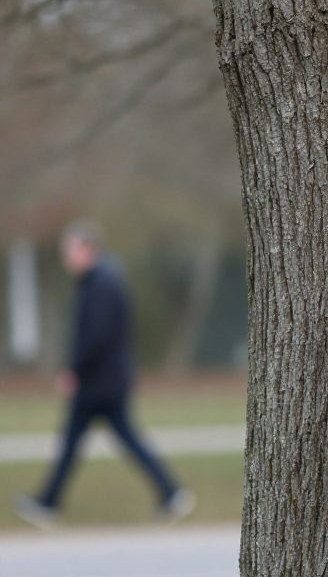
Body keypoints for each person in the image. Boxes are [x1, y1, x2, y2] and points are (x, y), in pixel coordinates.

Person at [15, 219, 197, 529]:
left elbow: (95, 336)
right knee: (112, 439)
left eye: (70, 250)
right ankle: (171, 492)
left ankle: (48, 503)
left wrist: (75, 370)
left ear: (87, 248)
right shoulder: (104, 278)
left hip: (99, 383)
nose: (67, 258)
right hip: (107, 380)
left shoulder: (100, 282)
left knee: (76, 443)